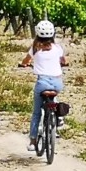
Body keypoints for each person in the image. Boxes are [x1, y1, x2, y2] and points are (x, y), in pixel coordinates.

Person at [19, 19, 67, 151]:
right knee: (54, 92)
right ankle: (59, 116)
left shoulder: (35, 49)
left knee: (36, 113)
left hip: (42, 82)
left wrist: (24, 64)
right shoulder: (58, 48)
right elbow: (64, 60)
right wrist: (62, 63)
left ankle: (33, 141)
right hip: (57, 82)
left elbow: (25, 61)